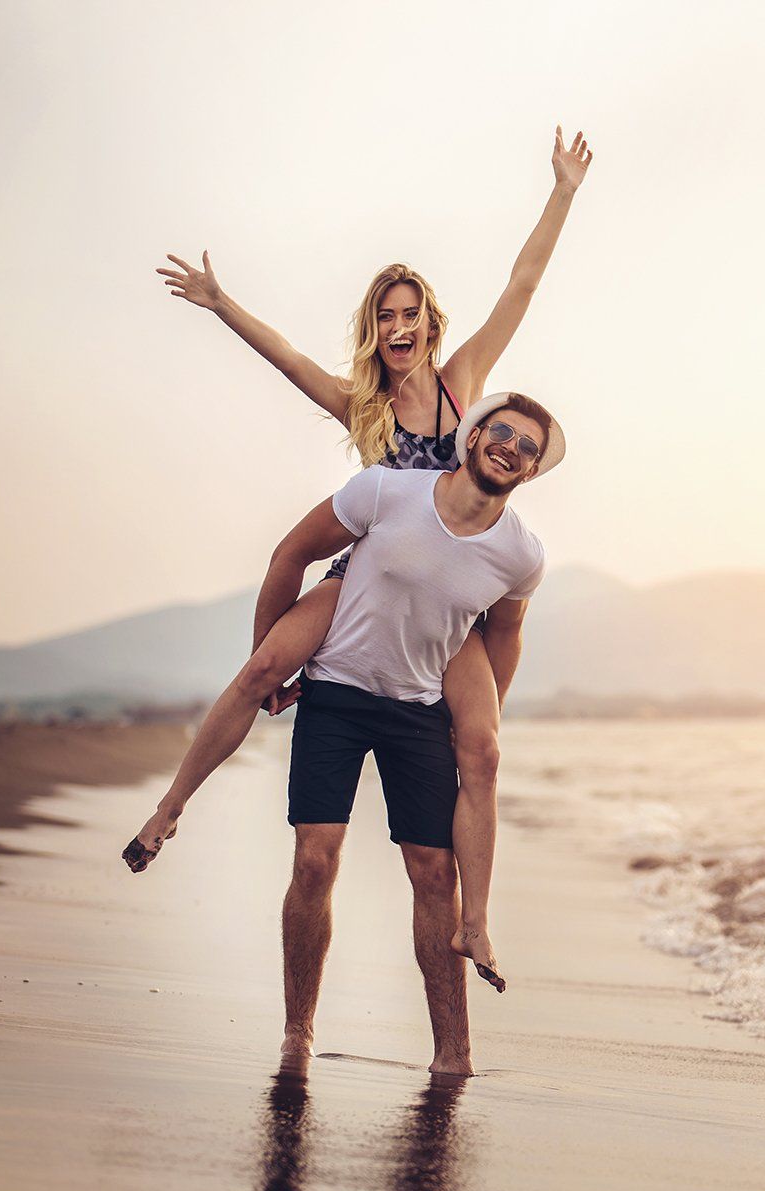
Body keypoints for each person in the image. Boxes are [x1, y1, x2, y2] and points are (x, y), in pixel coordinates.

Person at [122, 127, 592, 995]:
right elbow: (288, 357)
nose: (401, 328)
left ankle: (477, 923)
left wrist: (562, 190)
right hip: (366, 584)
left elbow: (522, 285)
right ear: (375, 332)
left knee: (483, 750)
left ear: (432, 324)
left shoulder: (467, 382)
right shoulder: (360, 405)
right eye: (387, 317)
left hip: (444, 610)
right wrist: (222, 303)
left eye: (412, 315)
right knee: (264, 660)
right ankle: (168, 810)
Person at [256, 393, 561, 1073]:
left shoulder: (521, 556)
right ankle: (297, 1032)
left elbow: (504, 635)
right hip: (337, 689)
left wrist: (481, 715)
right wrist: (267, 658)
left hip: (420, 705)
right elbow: (293, 553)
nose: (509, 446)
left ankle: (454, 1053)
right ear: (474, 434)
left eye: (526, 445)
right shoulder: (387, 491)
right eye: (500, 431)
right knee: (314, 860)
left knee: (432, 873)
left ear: (532, 470)